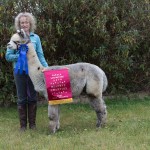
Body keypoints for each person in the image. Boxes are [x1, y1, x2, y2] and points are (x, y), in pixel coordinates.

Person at [5, 12, 48, 131]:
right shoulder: (15, 37)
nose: (24, 24)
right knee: (22, 98)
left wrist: (46, 68)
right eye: (22, 22)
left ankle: (32, 125)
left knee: (33, 97)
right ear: (19, 24)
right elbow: (8, 56)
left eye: (26, 22)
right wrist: (20, 56)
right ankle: (23, 126)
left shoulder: (36, 38)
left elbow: (40, 55)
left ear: (30, 23)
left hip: (34, 72)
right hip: (19, 71)